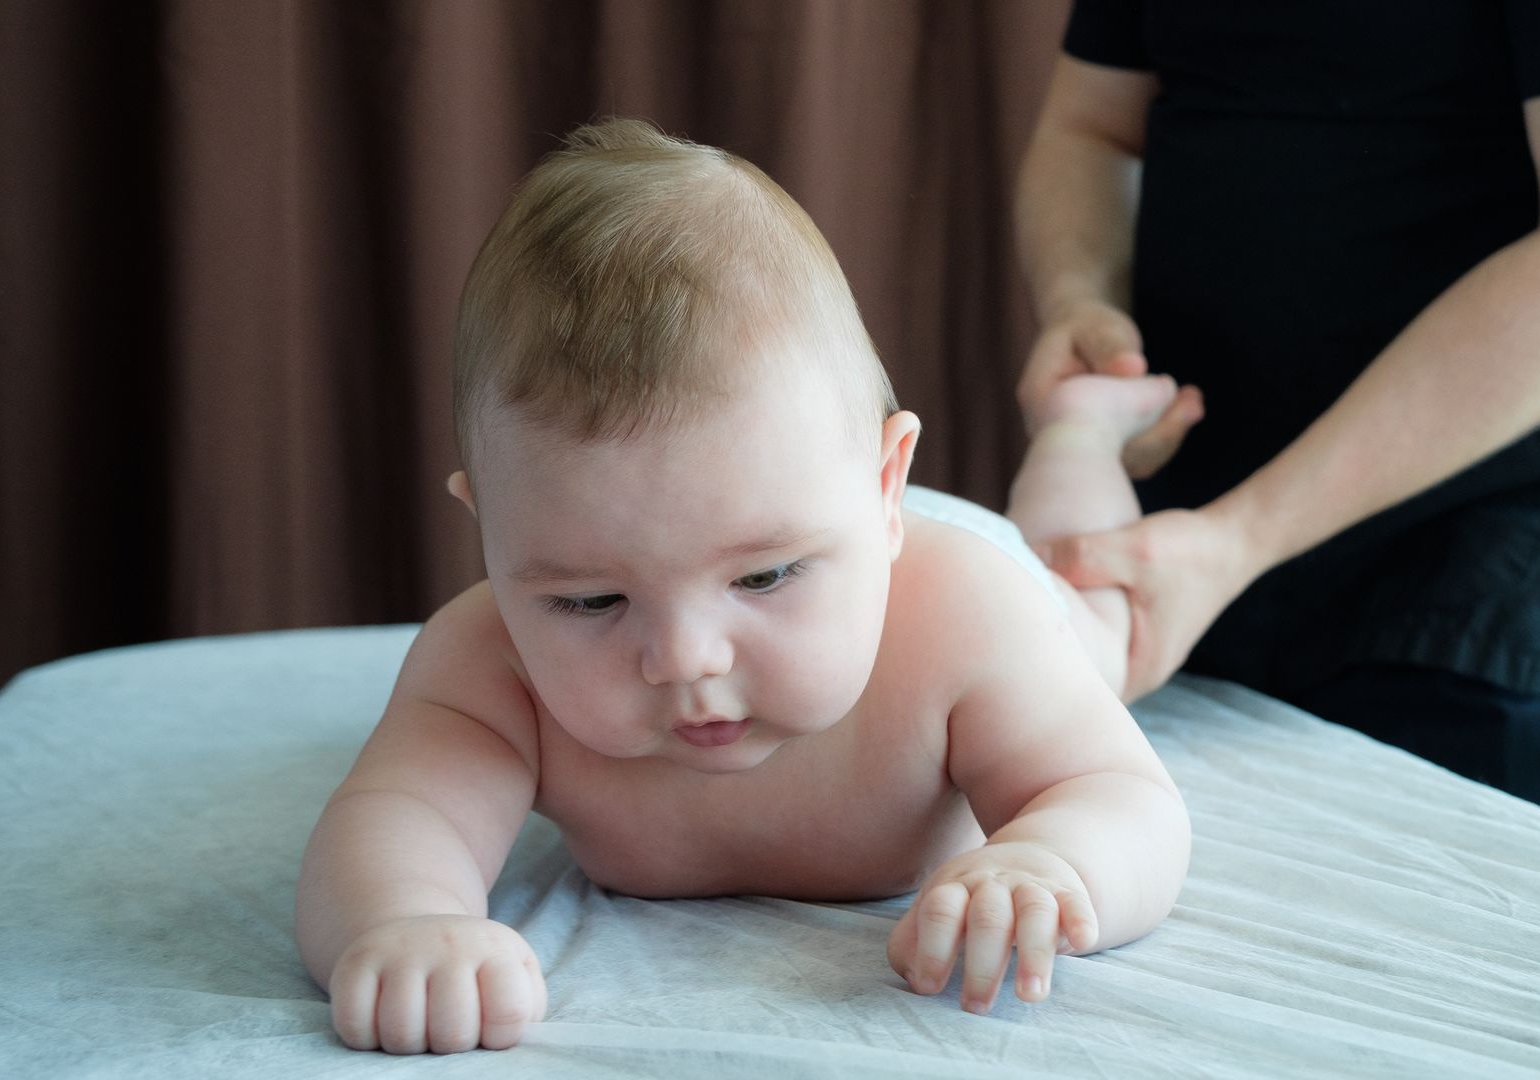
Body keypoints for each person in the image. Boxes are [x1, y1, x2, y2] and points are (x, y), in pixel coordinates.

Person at [293, 117, 1191, 1055]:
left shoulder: (967, 621)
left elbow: (1121, 796)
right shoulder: (490, 666)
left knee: (1098, 604)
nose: (685, 658)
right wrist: (400, 921)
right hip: (830, 535)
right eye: (591, 601)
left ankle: (1080, 435)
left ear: (887, 490)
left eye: (763, 577)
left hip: (973, 571)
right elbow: (396, 814)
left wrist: (1053, 860)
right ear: (492, 536)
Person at [1015, 0, 1540, 845]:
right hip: (1191, 554)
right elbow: (1093, 127)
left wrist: (1240, 538)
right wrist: (1080, 301)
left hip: (1500, 586)